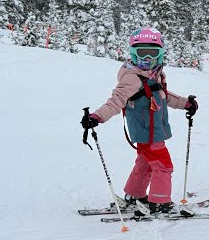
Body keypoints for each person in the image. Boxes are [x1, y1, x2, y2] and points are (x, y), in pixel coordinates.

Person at [81, 27, 199, 217]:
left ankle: (134, 195)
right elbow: (116, 100)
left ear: (160, 54)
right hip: (147, 131)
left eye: (152, 53)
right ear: (133, 54)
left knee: (145, 163)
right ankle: (160, 202)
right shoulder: (132, 78)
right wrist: (97, 116)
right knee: (163, 166)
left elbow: (164, 96)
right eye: (141, 53)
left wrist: (185, 103)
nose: (147, 59)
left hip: (153, 130)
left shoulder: (155, 74)